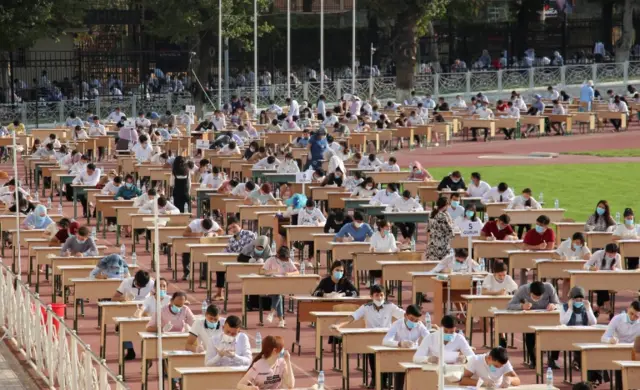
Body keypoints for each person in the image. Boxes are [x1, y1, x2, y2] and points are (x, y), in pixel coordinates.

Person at [332, 285, 404, 389]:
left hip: (386, 338)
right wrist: (338, 325)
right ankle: (375, 379)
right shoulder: (366, 307)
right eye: (376, 295)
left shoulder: (390, 306)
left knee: (387, 359)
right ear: (371, 296)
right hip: (371, 338)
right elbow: (352, 317)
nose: (379, 298)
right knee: (373, 358)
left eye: (381, 295)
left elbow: (405, 316)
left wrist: (424, 324)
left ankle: (384, 380)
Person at [507, 281, 560, 368]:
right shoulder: (523, 290)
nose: (537, 299)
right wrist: (521, 306)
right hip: (530, 318)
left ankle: (552, 360)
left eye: (540, 297)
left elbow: (558, 303)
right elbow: (510, 305)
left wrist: (553, 305)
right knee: (530, 334)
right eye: (535, 297)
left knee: (556, 333)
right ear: (530, 292)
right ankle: (533, 360)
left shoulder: (549, 288)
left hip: (547, 317)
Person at [382, 304, 429, 390]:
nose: (414, 322)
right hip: (400, 356)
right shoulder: (397, 324)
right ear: (405, 315)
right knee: (400, 374)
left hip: (415, 356)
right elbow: (385, 341)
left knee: (419, 376)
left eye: (416, 320)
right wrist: (399, 343)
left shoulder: (420, 325)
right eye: (411, 319)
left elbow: (429, 339)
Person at [261, 246, 299, 328]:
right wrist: (272, 271)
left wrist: (289, 274)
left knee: (278, 293)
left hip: (284, 284)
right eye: (283, 258)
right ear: (278, 255)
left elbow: (297, 272)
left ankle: (273, 313)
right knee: (278, 294)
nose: (284, 260)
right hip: (272, 284)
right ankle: (280, 319)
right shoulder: (271, 260)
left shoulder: (288, 260)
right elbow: (262, 271)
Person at [584, 243, 622, 315]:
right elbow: (586, 265)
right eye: (609, 254)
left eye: (613, 254)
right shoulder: (598, 254)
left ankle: (598, 307)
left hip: (610, 280)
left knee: (603, 285)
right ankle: (607, 303)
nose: (611, 256)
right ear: (605, 251)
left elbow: (620, 270)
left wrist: (615, 269)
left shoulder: (618, 256)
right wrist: (591, 268)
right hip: (597, 280)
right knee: (602, 285)